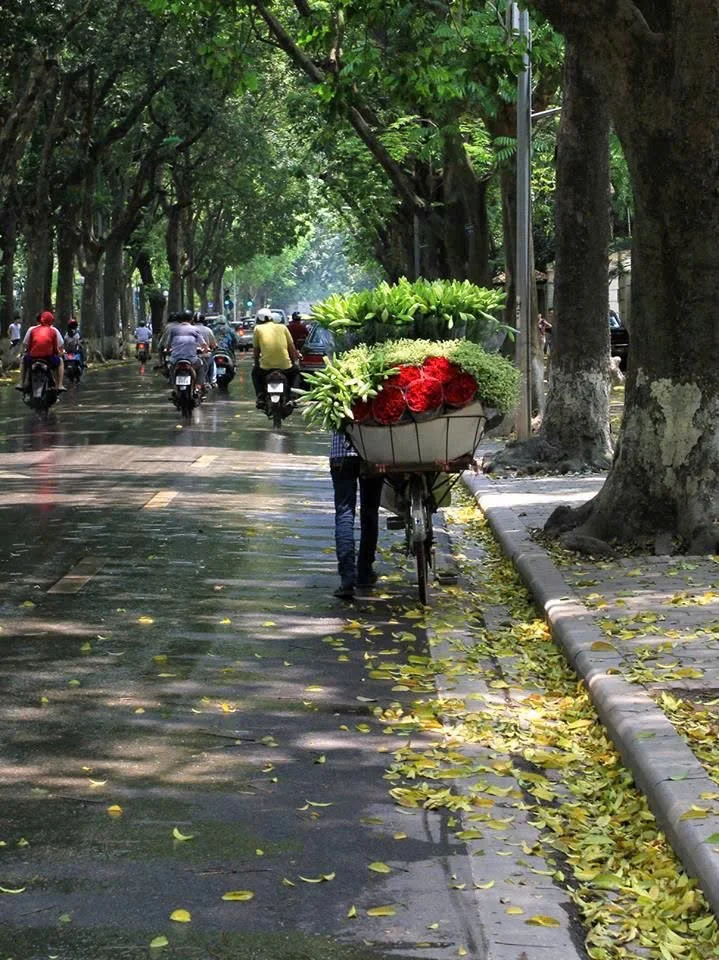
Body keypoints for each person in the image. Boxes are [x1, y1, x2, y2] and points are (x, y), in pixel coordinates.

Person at [330, 431, 384, 600]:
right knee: (369, 511)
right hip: (373, 453)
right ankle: (364, 572)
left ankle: (347, 578)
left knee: (344, 512)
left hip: (342, 454)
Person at [252, 307, 299, 407]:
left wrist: (256, 363)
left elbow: (256, 350)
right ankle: (293, 397)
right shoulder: (283, 327)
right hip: (285, 366)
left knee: (255, 373)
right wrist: (295, 358)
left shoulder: (257, 329)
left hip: (266, 367)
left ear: (259, 319)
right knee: (296, 372)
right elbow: (291, 347)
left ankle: (260, 397)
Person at [16, 310, 65, 392]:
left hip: (33, 358)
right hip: (48, 358)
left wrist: (27, 353)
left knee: (23, 360)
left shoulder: (33, 330)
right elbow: (55, 347)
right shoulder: (53, 331)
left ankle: (21, 383)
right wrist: (58, 354)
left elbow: (29, 346)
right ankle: (59, 385)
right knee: (60, 362)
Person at [165, 312, 205, 391]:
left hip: (176, 359)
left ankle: (173, 384)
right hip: (191, 359)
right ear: (191, 319)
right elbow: (203, 344)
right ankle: (198, 386)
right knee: (201, 366)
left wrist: (168, 349)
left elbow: (168, 344)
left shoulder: (174, 330)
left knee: (171, 368)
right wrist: (205, 349)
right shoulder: (195, 329)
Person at [192, 312, 217, 388]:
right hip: (205, 355)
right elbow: (214, 344)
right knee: (213, 363)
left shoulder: (191, 329)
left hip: (192, 355)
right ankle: (213, 381)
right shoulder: (208, 330)